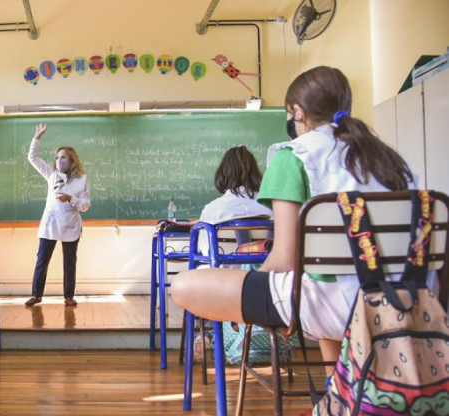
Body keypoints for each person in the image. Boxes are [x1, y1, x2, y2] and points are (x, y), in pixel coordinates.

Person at [170, 66, 415, 371]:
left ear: (297, 112)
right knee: (318, 279)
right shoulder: (389, 160)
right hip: (406, 298)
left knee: (184, 285)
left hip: (335, 305)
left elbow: (284, 260)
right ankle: (336, 395)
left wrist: (241, 306)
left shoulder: (292, 156)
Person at [25, 123, 91, 307]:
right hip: (50, 224)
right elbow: (33, 158)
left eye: (64, 157)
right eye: (58, 157)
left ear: (72, 161)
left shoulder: (81, 179)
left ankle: (68, 296)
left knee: (69, 262)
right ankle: (36, 295)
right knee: (42, 260)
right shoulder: (52, 175)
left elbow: (85, 205)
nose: (60, 160)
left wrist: (71, 198)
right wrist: (36, 138)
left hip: (70, 225)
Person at [196, 145, 272, 256]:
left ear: (223, 173)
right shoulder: (272, 207)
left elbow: (206, 252)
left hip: (223, 272)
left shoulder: (212, 211)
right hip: (264, 271)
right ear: (255, 172)